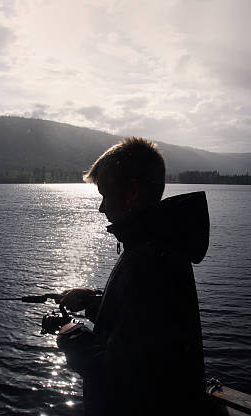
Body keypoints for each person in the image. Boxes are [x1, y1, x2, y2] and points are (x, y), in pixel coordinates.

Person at [56, 137, 210, 415]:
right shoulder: (156, 246)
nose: (102, 208)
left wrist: (70, 334)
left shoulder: (151, 260)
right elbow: (142, 321)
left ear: (132, 192)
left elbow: (118, 373)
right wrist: (93, 303)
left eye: (105, 194)